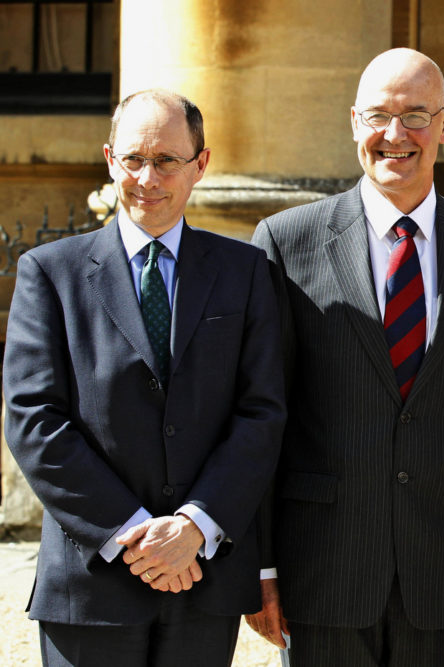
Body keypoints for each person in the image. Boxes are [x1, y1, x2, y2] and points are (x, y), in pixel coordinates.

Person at [243, 48, 444, 666]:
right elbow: (262, 416)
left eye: (415, 116)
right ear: (354, 122)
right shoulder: (285, 243)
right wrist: (261, 562)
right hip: (322, 570)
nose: (394, 135)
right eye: (378, 115)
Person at [3, 89, 286, 666]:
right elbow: (34, 421)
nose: (147, 178)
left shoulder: (245, 271)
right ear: (110, 160)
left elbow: (262, 412)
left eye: (166, 161)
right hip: (91, 580)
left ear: (200, 165)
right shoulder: (49, 274)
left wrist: (193, 528)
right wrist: (135, 535)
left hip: (201, 578)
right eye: (133, 159)